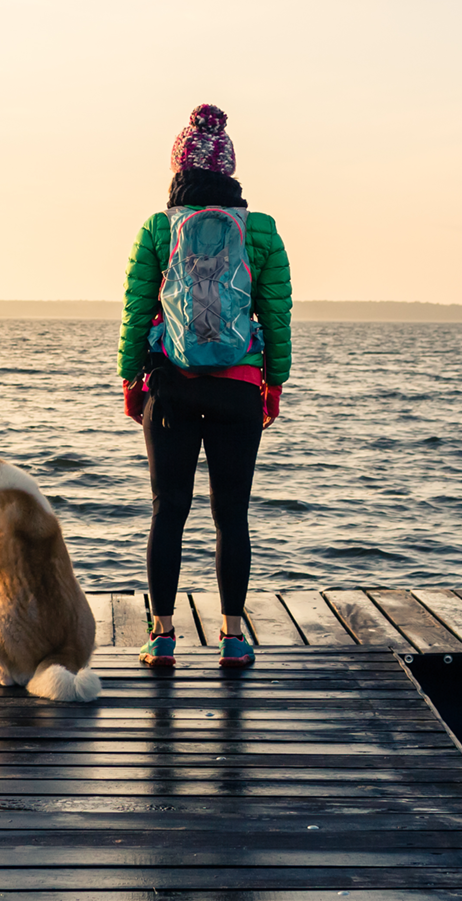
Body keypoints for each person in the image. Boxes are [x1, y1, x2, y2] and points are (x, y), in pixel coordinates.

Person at [117, 104, 292, 669]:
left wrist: (130, 379)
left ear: (178, 169)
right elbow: (277, 313)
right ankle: (233, 638)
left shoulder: (157, 227)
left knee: (169, 510)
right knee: (231, 515)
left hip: (172, 384)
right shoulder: (260, 230)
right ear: (231, 172)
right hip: (238, 387)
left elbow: (137, 307)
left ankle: (162, 637)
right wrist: (274, 383)